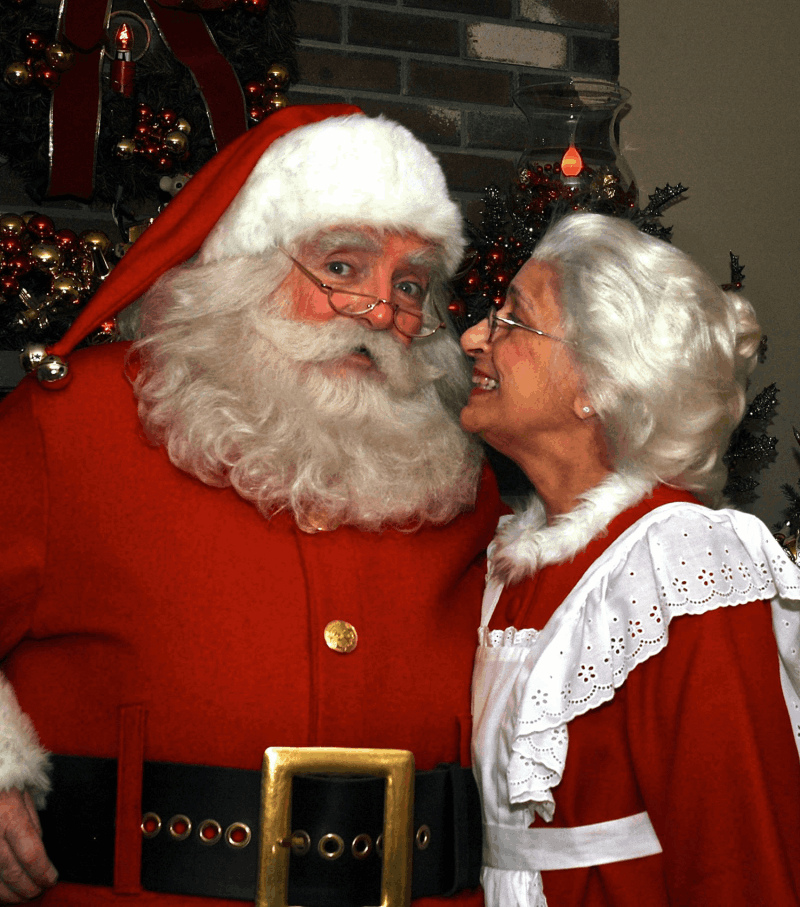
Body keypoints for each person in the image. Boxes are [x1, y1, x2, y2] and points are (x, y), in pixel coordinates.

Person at [0, 105, 503, 905]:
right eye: (343, 268)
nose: (382, 314)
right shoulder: (72, 423)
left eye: (411, 286)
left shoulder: (451, 467)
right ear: (243, 268)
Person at [459, 212, 800, 906]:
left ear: (600, 380)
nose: (472, 337)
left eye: (511, 321)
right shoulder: (503, 563)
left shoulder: (682, 565)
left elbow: (738, 856)